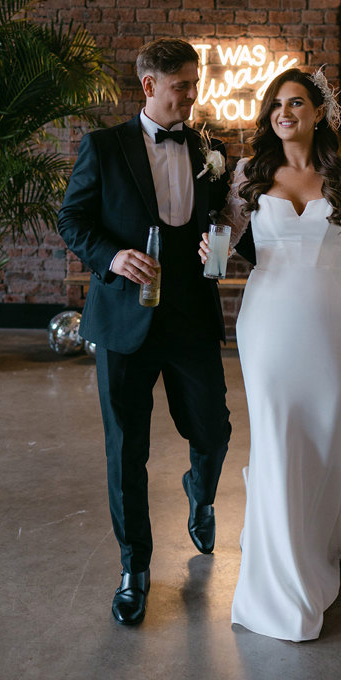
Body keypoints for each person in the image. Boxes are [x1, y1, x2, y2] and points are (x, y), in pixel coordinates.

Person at [199, 68, 341, 642]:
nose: (284, 114)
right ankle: (280, 582)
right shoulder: (249, 173)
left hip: (328, 322)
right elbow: (222, 248)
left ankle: (324, 533)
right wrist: (209, 249)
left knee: (322, 438)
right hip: (267, 321)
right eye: (275, 105)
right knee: (276, 437)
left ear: (319, 111)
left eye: (295, 103)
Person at [58, 37, 239, 629]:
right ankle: (134, 569)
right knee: (126, 450)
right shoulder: (104, 147)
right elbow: (73, 219)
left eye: (195, 83)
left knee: (213, 425)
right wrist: (111, 257)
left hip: (189, 315)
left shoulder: (211, 149)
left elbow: (220, 218)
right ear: (148, 87)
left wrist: (219, 243)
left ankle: (201, 489)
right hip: (123, 323)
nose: (192, 94)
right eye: (182, 85)